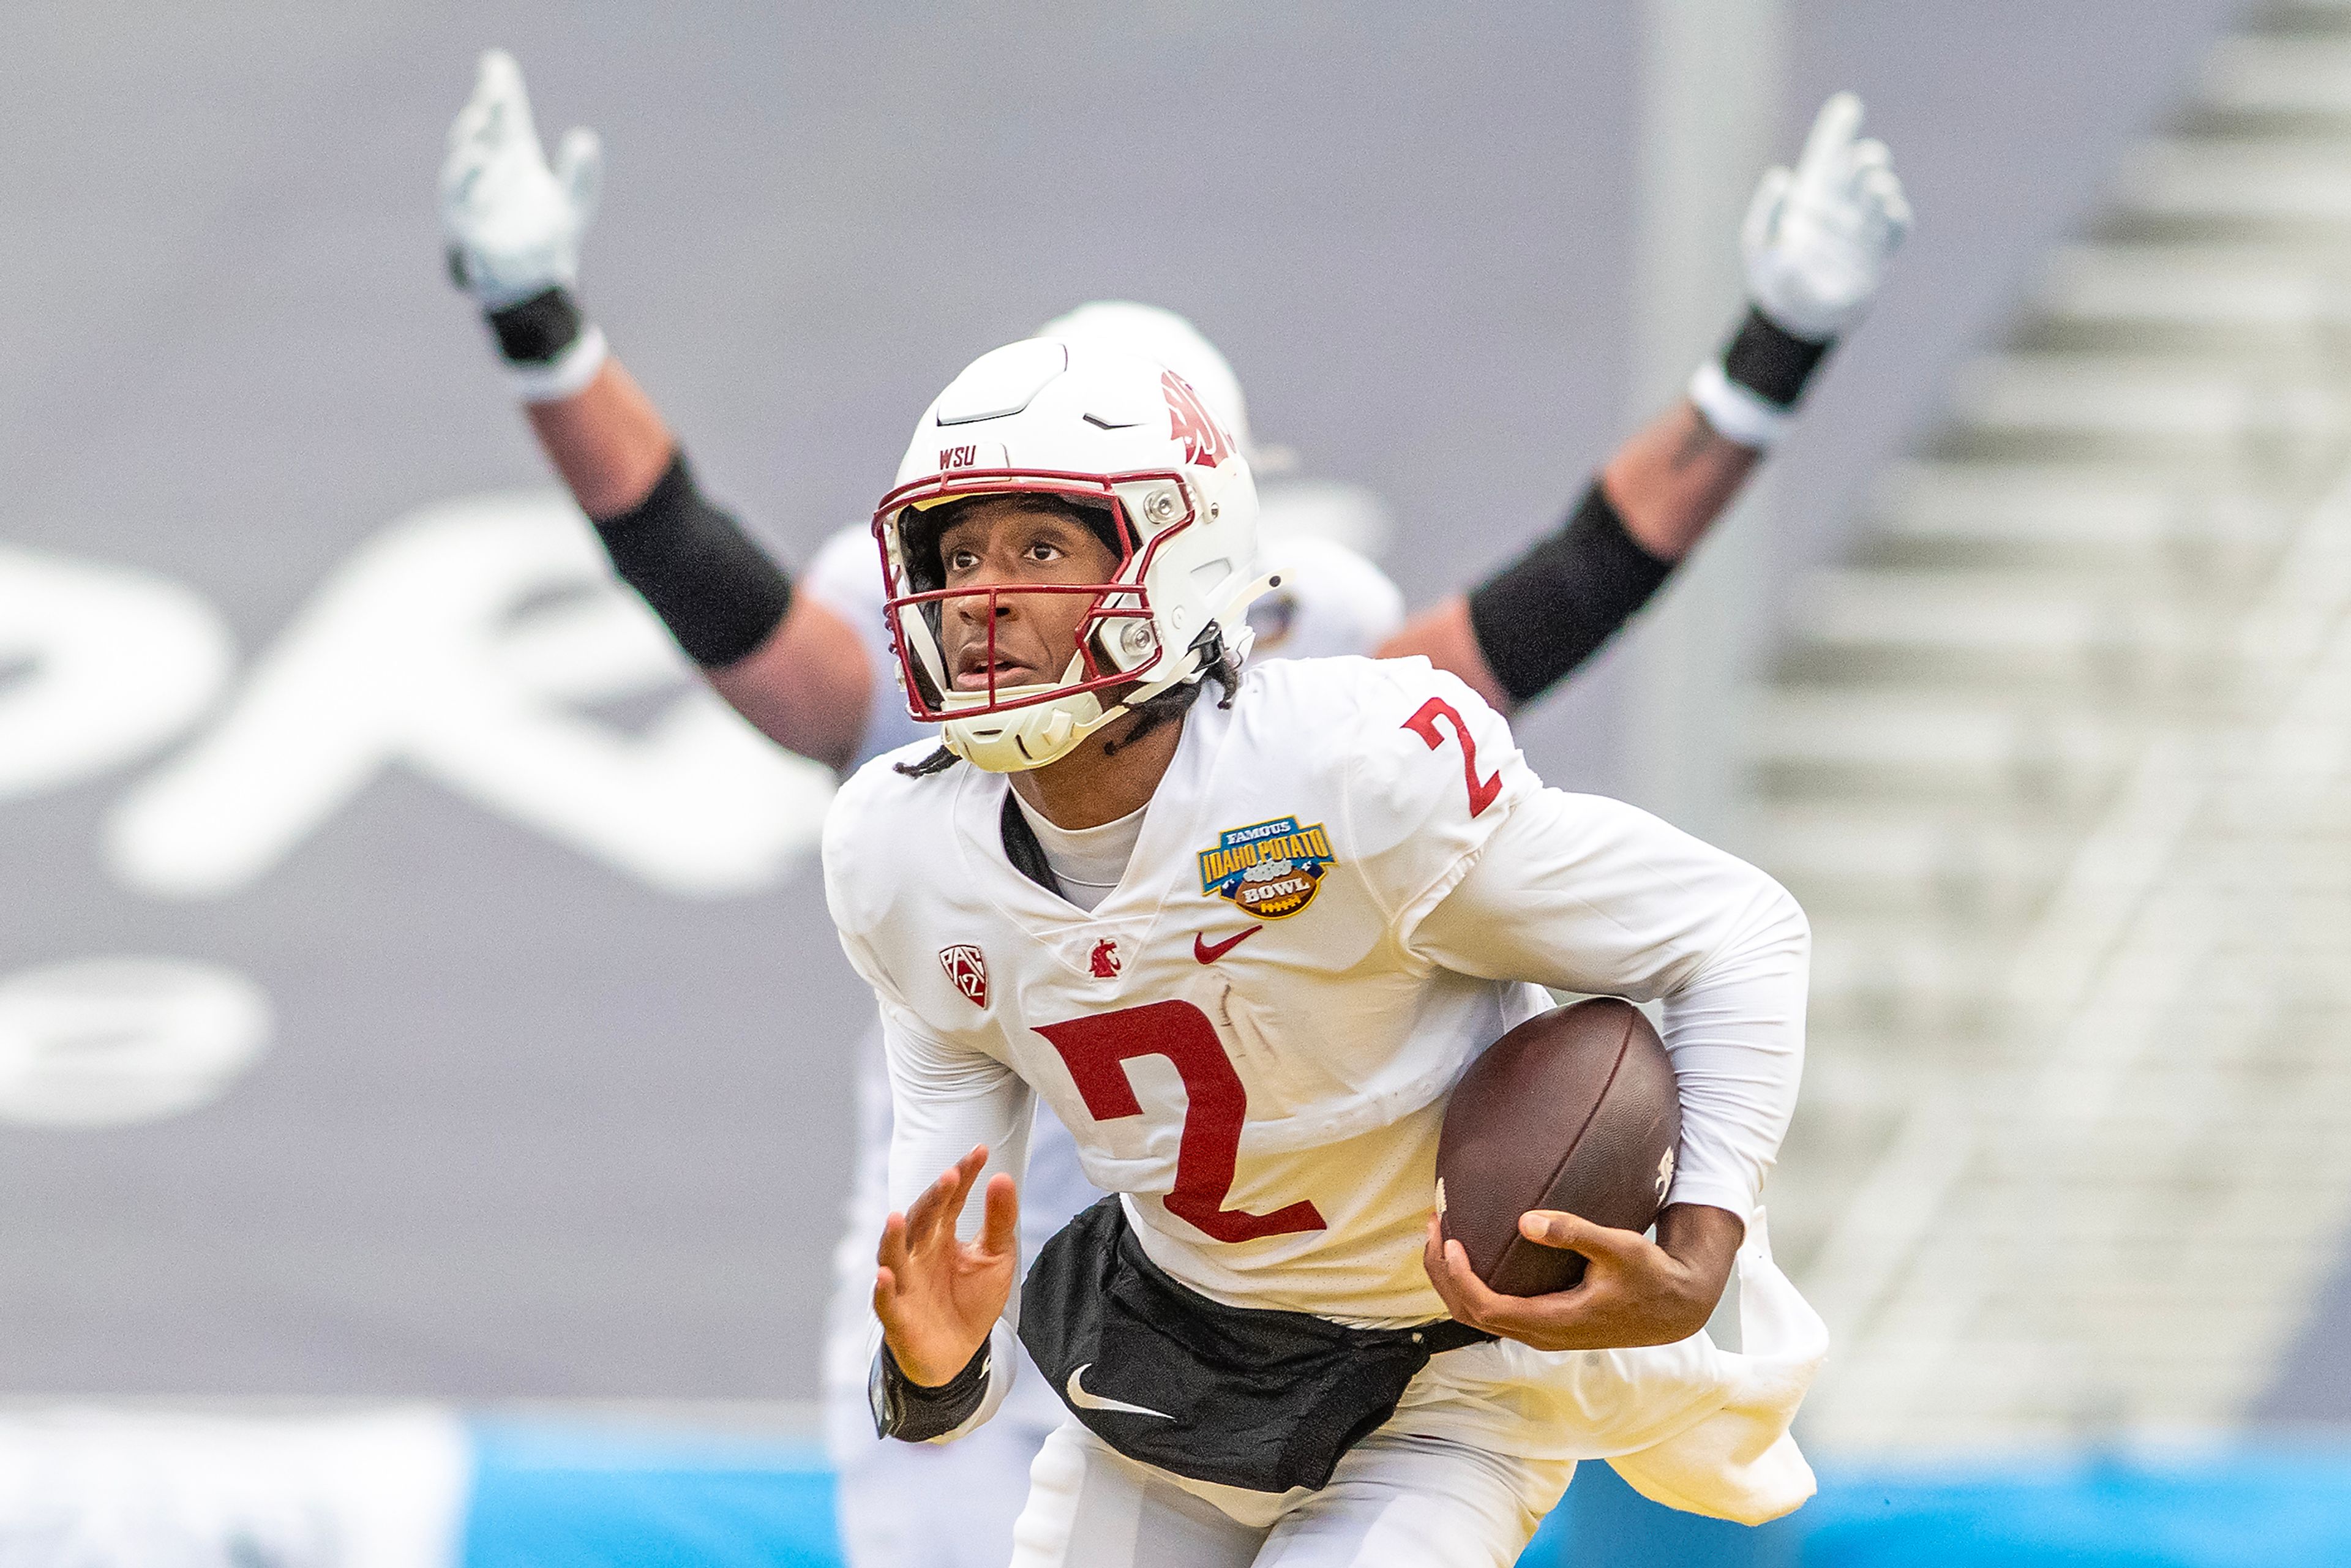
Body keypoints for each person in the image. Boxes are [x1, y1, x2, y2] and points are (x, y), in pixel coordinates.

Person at [437, 50, 1907, 1568]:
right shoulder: (906, 830)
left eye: (1042, 544)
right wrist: (540, 336)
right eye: (962, 553)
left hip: (1416, 1338)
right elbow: (719, 594)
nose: (988, 599)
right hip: (1124, 1337)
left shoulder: (1341, 730)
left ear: (1199, 537)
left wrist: (1768, 356)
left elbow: (1581, 602)